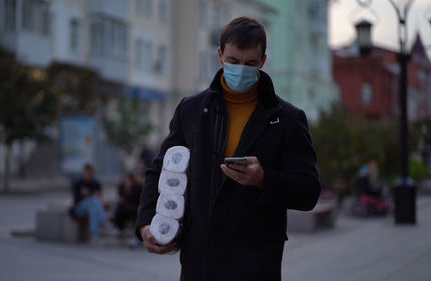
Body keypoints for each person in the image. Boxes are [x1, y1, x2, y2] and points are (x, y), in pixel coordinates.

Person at [135, 17, 320, 281]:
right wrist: (145, 225)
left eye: (250, 63)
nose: (241, 69)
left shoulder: (288, 119)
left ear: (263, 62)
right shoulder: (192, 110)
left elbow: (309, 191)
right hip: (200, 261)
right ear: (220, 55)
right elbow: (159, 170)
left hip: (256, 263)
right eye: (233, 61)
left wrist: (263, 180)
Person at [71, 164, 111, 245]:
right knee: (93, 200)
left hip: (92, 207)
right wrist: (91, 195)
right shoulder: (78, 182)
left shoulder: (96, 183)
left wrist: (88, 194)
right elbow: (76, 198)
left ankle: (94, 236)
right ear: (83, 173)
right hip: (80, 208)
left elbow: (99, 197)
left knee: (92, 209)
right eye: (86, 173)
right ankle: (105, 222)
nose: (88, 175)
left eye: (90, 173)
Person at [114, 172, 142, 246]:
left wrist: (129, 191)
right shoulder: (121, 187)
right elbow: (121, 200)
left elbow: (136, 200)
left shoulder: (137, 187)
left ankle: (136, 237)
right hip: (125, 208)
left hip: (134, 207)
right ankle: (120, 231)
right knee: (119, 210)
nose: (126, 182)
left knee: (134, 211)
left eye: (128, 180)